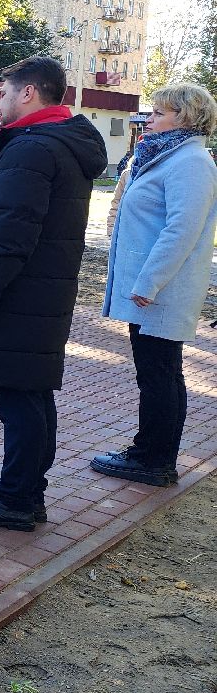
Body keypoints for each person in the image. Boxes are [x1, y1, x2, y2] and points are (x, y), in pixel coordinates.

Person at [0, 57, 107, 531]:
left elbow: (13, 234)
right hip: (37, 294)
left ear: (28, 93)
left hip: (18, 296)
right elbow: (27, 210)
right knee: (28, 395)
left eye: (3, 92)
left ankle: (15, 500)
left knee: (20, 398)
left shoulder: (32, 149)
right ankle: (23, 489)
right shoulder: (54, 142)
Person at [91, 83, 217, 487]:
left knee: (161, 372)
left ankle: (155, 460)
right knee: (156, 372)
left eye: (159, 113)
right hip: (152, 290)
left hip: (162, 291)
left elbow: (182, 229)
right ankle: (148, 450)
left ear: (185, 117)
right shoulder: (165, 157)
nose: (149, 119)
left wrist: (151, 281)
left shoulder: (191, 162)